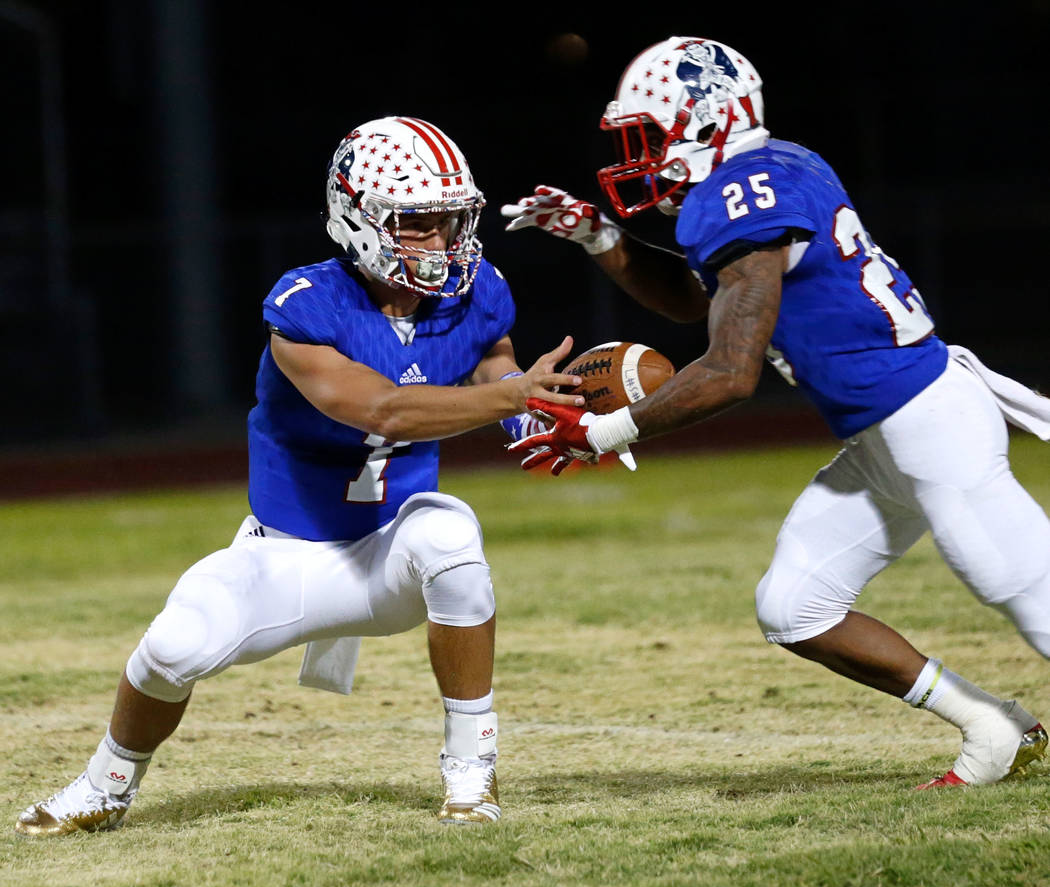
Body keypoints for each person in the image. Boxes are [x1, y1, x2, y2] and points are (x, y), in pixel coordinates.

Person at [501, 37, 1050, 788]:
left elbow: (730, 372)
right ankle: (993, 727)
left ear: (705, 125)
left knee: (1032, 599)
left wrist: (603, 432)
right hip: (888, 438)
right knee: (794, 606)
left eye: (649, 137)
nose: (641, 157)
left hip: (933, 427)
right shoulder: (770, 167)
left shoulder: (743, 194)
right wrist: (601, 237)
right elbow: (703, 303)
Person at [15, 115, 583, 836]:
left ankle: (472, 769)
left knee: (450, 532)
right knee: (170, 648)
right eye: (417, 222)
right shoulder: (305, 307)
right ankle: (105, 785)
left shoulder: (476, 294)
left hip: (391, 555)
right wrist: (505, 397)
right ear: (358, 219)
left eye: (449, 219)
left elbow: (496, 359)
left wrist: (533, 417)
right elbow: (383, 408)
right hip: (284, 552)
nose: (440, 241)